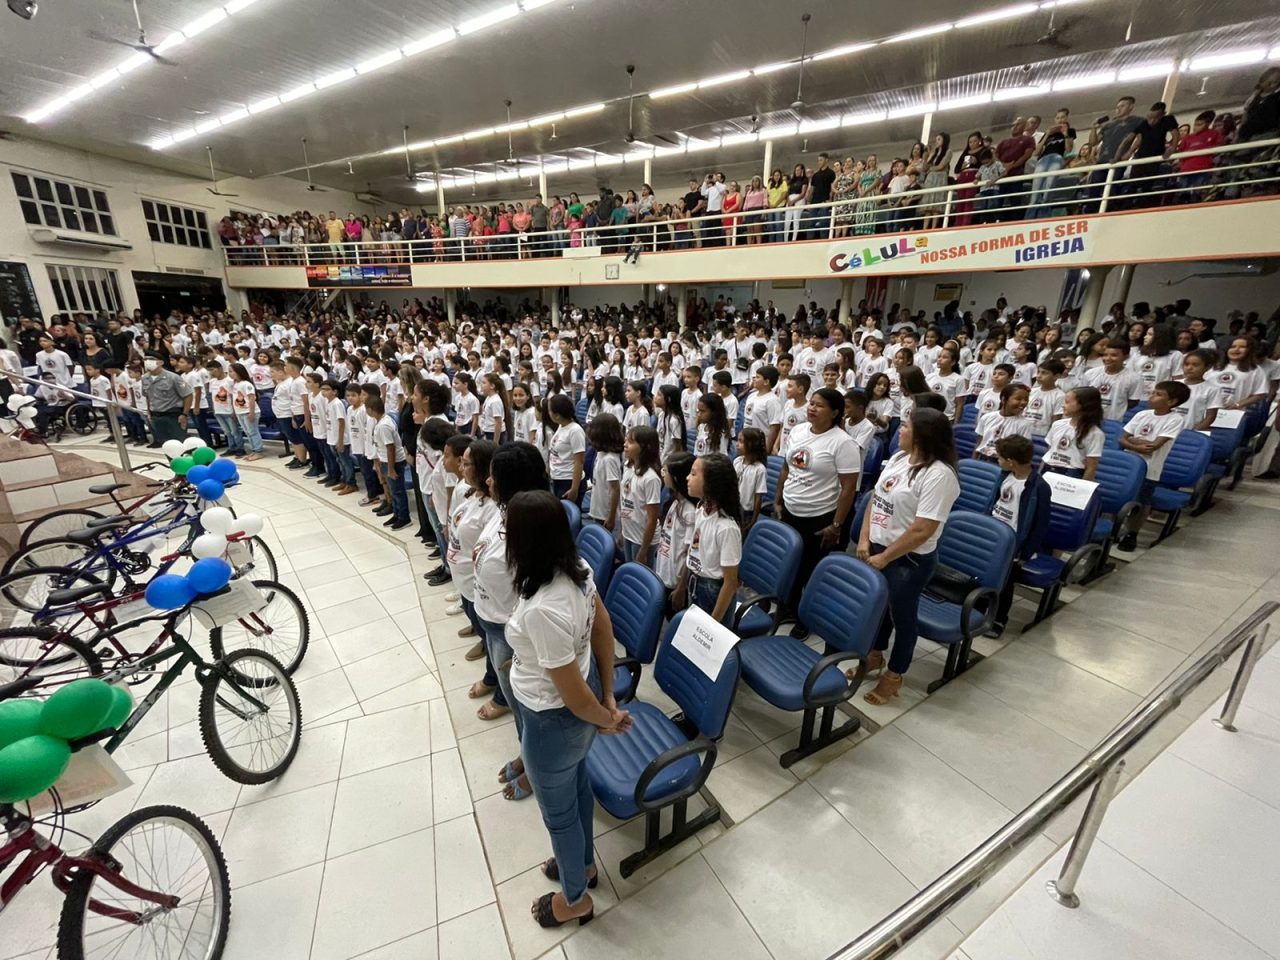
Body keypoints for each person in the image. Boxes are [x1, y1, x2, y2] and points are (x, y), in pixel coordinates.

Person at [503, 489, 630, 929]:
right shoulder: (578, 570)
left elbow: (574, 698)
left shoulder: (544, 610)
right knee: (577, 786)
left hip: (554, 722)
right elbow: (603, 627)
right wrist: (609, 697)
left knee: (559, 816)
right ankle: (584, 866)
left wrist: (605, 716)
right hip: (578, 705)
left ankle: (575, 899)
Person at [857, 408, 961, 704]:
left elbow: (922, 530)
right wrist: (865, 539)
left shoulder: (939, 475)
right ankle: (875, 657)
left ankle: (894, 675)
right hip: (878, 549)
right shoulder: (901, 459)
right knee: (879, 609)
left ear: (922, 435)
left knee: (903, 619)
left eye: (905, 426)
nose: (899, 429)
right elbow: (876, 499)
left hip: (908, 560)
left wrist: (887, 557)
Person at [472, 442, 551, 802]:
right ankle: (527, 755)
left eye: (494, 476)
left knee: (526, 710)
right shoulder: (501, 511)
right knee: (518, 710)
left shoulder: (531, 530)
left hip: (510, 629)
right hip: (492, 620)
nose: (487, 480)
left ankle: (537, 769)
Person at [774, 387, 861, 637]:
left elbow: (848, 488)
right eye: (811, 403)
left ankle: (807, 619)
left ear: (835, 412)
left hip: (821, 516)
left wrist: (836, 525)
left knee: (813, 572)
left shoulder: (843, 443)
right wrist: (778, 500)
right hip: (791, 509)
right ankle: (789, 608)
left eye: (819, 405)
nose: (812, 408)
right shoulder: (799, 431)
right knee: (792, 565)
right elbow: (786, 467)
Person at [990, 435, 1053, 636]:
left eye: (1000, 458)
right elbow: (994, 503)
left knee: (1005, 582)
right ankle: (981, 610)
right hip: (994, 533)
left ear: (1011, 461)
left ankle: (999, 619)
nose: (997, 460)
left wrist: (1025, 552)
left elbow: (1041, 524)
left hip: (1015, 542)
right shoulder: (1004, 475)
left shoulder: (1039, 487)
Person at [1117, 380, 1190, 550]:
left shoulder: (1175, 419)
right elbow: (1121, 439)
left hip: (1150, 469)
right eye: (1153, 392)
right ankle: (1116, 530)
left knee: (1142, 502)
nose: (1152, 396)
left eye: (1158, 394)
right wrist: (1138, 444)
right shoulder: (1142, 414)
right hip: (1129, 466)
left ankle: (1132, 534)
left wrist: (1133, 442)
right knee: (1122, 499)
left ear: (1171, 401)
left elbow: (1153, 447)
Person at [677, 453, 742, 624]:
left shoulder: (726, 528)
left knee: (709, 645)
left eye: (693, 474)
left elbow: (730, 583)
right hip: (695, 581)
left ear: (711, 483)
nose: (687, 478)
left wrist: (714, 623)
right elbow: (694, 551)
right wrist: (683, 585)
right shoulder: (700, 509)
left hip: (712, 590)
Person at [619, 426, 662, 565]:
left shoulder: (651, 478)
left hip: (642, 538)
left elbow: (652, 518)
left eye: (630, 442)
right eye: (626, 440)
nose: (625, 444)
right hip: (629, 533)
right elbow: (626, 502)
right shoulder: (628, 467)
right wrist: (623, 531)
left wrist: (644, 550)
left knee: (640, 577)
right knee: (629, 568)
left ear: (645, 447)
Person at [140, 351, 193, 446]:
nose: (147, 362)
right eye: (145, 359)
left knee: (179, 445)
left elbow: (188, 395)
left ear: (161, 362)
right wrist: (149, 412)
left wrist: (184, 414)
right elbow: (148, 396)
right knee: (166, 446)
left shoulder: (173, 377)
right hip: (156, 416)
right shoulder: (145, 378)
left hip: (173, 416)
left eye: (151, 359)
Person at [547, 394, 587, 503]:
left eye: (549, 410)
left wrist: (574, 489)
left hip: (568, 480)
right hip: (558, 478)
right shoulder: (562, 426)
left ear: (557, 415)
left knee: (569, 517)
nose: (548, 413)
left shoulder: (575, 431)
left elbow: (579, 461)